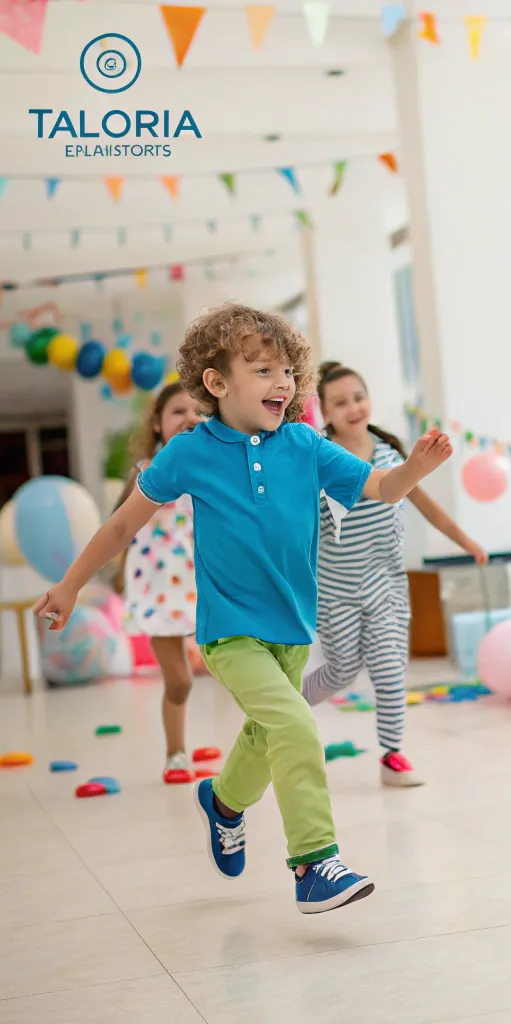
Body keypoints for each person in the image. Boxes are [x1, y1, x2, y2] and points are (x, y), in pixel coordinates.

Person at [34, 303, 453, 914]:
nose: (282, 382)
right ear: (217, 382)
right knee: (295, 724)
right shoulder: (188, 452)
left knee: (265, 732)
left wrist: (414, 468)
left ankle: (223, 802)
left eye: (287, 371)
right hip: (229, 631)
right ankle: (314, 863)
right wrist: (71, 585)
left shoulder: (305, 444)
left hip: (293, 629)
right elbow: (124, 524)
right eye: (263, 370)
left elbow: (380, 489)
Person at [302, 364, 487, 787]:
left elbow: (427, 506)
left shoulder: (389, 454)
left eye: (359, 397)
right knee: (341, 670)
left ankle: (392, 755)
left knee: (389, 669)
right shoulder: (321, 458)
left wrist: (466, 542)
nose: (353, 408)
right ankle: (286, 709)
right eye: (340, 402)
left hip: (384, 585)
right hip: (335, 589)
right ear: (325, 412)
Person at [115, 379, 205, 784]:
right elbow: (119, 528)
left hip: (204, 584)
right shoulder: (146, 472)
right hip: (159, 592)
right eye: (178, 412)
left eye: (198, 411)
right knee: (180, 680)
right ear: (157, 423)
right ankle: (176, 753)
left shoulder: (212, 468)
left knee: (241, 669)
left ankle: (260, 744)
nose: (190, 418)